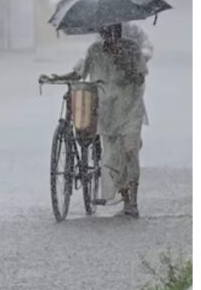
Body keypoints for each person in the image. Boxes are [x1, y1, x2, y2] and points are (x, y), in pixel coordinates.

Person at [40, 23, 148, 218]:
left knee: (130, 151)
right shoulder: (95, 50)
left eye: (113, 30)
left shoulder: (132, 48)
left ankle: (133, 201)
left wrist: (122, 61)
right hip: (107, 110)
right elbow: (80, 71)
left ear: (119, 30)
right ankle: (125, 196)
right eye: (106, 32)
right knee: (112, 156)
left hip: (130, 107)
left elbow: (140, 77)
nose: (109, 35)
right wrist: (57, 77)